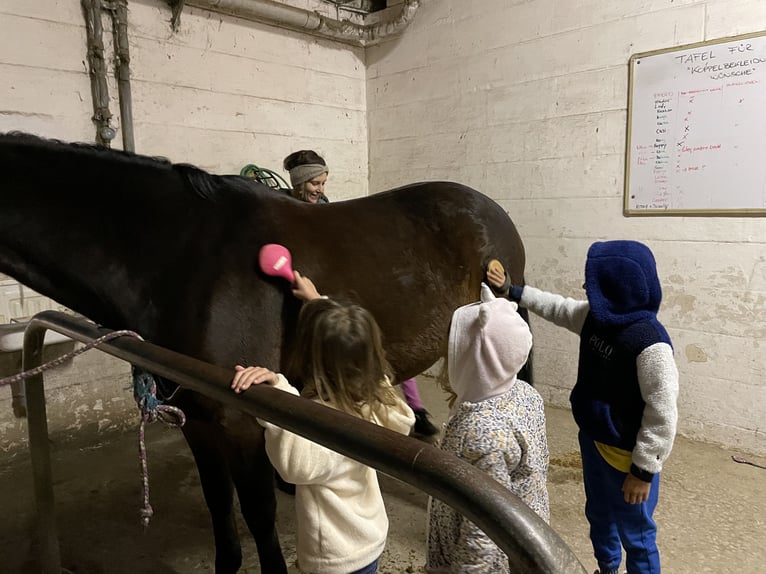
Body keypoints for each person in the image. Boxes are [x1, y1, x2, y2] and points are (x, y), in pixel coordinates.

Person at [486, 240, 679, 574]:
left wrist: (643, 471)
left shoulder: (651, 344)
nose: (584, 287)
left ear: (615, 288)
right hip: (592, 441)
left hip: (627, 458)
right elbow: (556, 306)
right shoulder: (594, 318)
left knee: (637, 534)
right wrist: (512, 290)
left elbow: (662, 413)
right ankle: (607, 568)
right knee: (599, 517)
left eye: (592, 282)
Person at [231, 271, 415, 574]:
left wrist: (279, 397)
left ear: (312, 359)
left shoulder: (322, 421)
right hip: (369, 539)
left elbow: (294, 466)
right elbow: (363, 360)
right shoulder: (381, 405)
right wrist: (319, 303)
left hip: (335, 557)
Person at [283, 148, 438, 438]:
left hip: (332, 287)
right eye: (315, 183)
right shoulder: (286, 209)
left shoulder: (327, 209)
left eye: (323, 183)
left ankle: (416, 408)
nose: (320, 189)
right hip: (304, 288)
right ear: (299, 183)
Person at [426, 283, 549, 574]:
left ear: (474, 360)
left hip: (494, 558)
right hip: (528, 532)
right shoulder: (525, 393)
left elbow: (483, 533)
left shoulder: (481, 434)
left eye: (454, 352)